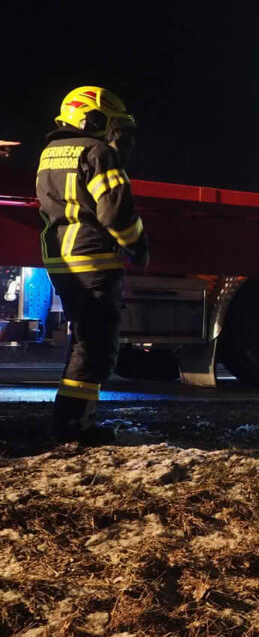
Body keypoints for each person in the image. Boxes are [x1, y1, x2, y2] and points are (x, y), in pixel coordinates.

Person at [35, 87, 149, 446]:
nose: (118, 135)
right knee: (95, 347)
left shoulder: (50, 153)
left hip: (61, 259)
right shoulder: (98, 152)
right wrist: (137, 245)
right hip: (94, 257)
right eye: (112, 124)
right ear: (92, 118)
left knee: (84, 342)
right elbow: (115, 210)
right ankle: (72, 427)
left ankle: (72, 422)